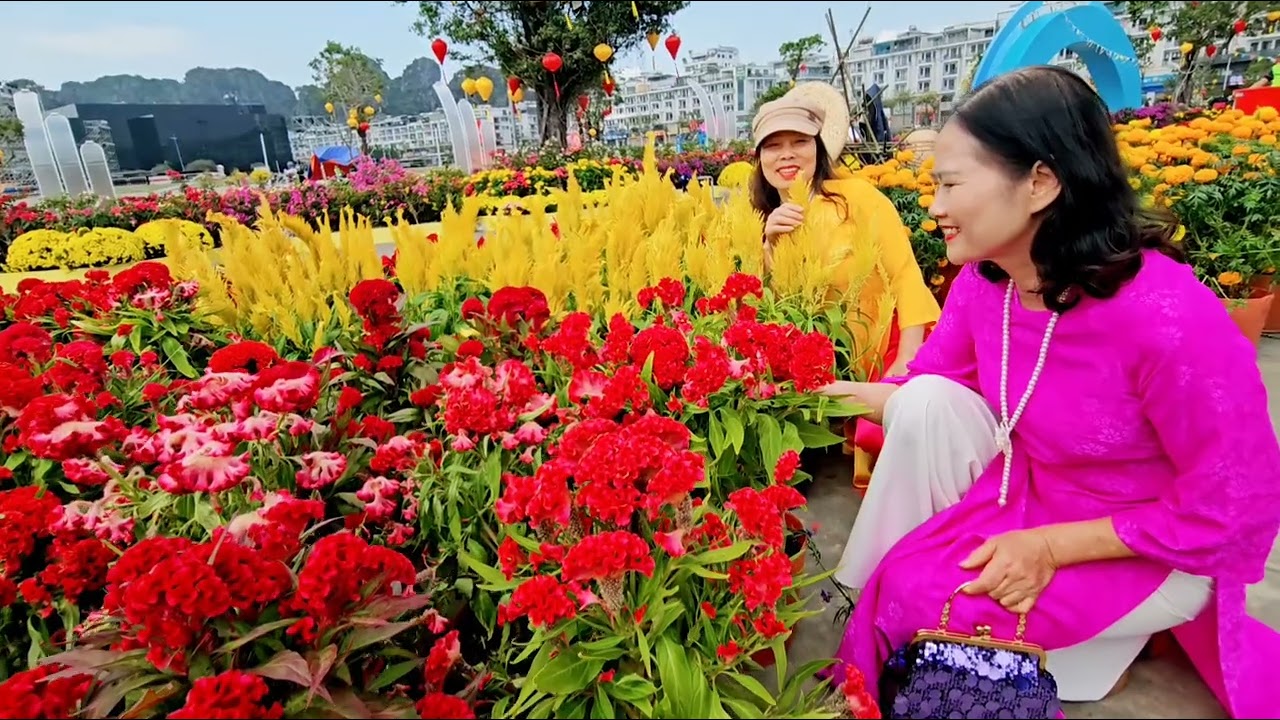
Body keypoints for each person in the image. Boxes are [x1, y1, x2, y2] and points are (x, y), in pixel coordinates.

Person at [819, 65, 1280, 716]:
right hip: (1027, 497)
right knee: (899, 579)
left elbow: (1235, 506)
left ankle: (1106, 644)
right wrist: (804, 392)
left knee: (923, 602)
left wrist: (1050, 548)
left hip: (1153, 542)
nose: (935, 206)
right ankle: (1078, 656)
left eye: (951, 184)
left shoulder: (1167, 316)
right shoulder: (991, 283)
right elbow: (926, 385)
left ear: (1040, 182)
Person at [748, 88, 941, 483]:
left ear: (818, 148)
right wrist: (770, 246)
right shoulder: (761, 218)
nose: (786, 154)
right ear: (759, 159)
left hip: (887, 341)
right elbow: (772, 308)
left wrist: (906, 361)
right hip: (828, 359)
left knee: (893, 438)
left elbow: (905, 274)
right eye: (773, 145)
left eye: (799, 142)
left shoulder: (856, 198)